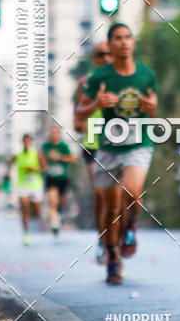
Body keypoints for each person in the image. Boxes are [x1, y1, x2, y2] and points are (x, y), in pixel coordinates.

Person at [76, 24, 158, 285]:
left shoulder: (146, 74)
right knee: (110, 207)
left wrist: (153, 107)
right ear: (110, 45)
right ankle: (112, 256)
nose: (123, 43)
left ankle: (131, 226)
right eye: (117, 39)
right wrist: (95, 104)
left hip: (138, 142)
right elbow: (79, 115)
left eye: (127, 38)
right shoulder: (97, 78)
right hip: (107, 146)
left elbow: (151, 111)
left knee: (132, 194)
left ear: (132, 43)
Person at [74, 42, 113, 262]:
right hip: (93, 143)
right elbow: (77, 118)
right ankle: (103, 240)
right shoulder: (86, 83)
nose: (106, 57)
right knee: (100, 194)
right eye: (101, 55)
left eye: (109, 54)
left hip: (120, 142)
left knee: (122, 195)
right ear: (94, 59)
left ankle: (124, 230)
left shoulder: (126, 78)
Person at [11, 134, 47, 245]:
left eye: (28, 141)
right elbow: (10, 164)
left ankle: (35, 220)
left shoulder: (37, 154)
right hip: (23, 185)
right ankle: (26, 234)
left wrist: (35, 170)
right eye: (24, 141)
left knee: (36, 210)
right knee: (24, 208)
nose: (26, 143)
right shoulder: (19, 155)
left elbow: (45, 166)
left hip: (35, 185)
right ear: (22, 142)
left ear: (31, 142)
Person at [41, 125, 76, 237]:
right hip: (51, 177)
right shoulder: (46, 146)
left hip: (63, 178)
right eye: (52, 132)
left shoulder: (63, 146)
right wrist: (43, 165)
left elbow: (72, 159)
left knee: (61, 202)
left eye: (55, 132)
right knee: (53, 202)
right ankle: (54, 224)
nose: (53, 134)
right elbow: (41, 159)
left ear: (58, 134)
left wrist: (59, 157)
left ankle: (59, 216)